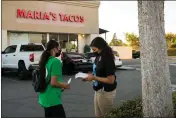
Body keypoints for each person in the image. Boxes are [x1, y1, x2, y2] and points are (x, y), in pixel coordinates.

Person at [82, 37, 117, 117]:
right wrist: (89, 77)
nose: (94, 52)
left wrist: (94, 78)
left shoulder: (108, 59)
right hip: (98, 90)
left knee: (107, 115)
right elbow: (97, 72)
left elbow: (111, 80)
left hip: (106, 92)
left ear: (101, 47)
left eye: (95, 50)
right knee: (98, 115)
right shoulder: (98, 57)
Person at [39, 40, 70, 118]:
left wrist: (60, 87)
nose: (59, 50)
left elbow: (48, 79)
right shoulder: (55, 61)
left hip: (44, 97)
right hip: (53, 100)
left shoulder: (44, 61)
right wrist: (65, 85)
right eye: (58, 48)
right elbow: (53, 83)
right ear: (54, 49)